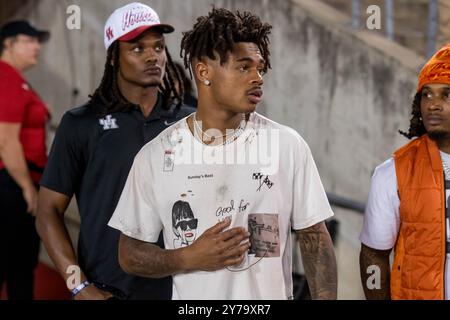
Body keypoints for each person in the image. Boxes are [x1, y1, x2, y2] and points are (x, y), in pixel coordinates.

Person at [109, 7, 337, 300]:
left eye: (260, 67)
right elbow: (129, 254)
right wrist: (188, 257)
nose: (258, 77)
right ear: (204, 71)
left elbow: (314, 238)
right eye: (244, 67)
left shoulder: (286, 145)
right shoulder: (157, 155)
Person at [35, 2, 195, 300]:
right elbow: (47, 213)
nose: (152, 56)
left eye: (158, 47)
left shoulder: (191, 120)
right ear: (113, 58)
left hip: (183, 290)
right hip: (110, 290)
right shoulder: (80, 124)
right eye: (137, 48)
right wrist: (79, 286)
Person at [360, 44, 450, 300]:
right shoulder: (393, 173)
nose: (433, 104)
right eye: (427, 95)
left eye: (447, 95)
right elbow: (373, 255)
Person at [0, 20, 50, 300]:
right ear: (8, 44)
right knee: (12, 263)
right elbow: (5, 140)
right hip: (11, 185)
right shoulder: (5, 77)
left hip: (20, 183)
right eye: (29, 40)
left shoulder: (16, 80)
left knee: (20, 264)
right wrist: (27, 188)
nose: (37, 47)